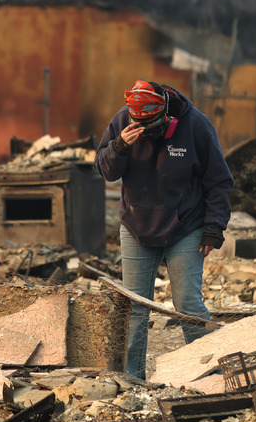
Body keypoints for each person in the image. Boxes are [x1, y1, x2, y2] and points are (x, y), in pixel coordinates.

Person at [95, 79, 235, 380]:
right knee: (135, 307)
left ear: (166, 113)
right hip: (137, 225)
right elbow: (105, 170)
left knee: (187, 303)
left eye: (151, 124)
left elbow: (219, 180)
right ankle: (133, 379)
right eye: (139, 124)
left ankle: (206, 374)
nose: (145, 130)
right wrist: (119, 146)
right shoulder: (122, 121)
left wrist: (214, 228)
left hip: (186, 226)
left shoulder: (195, 125)